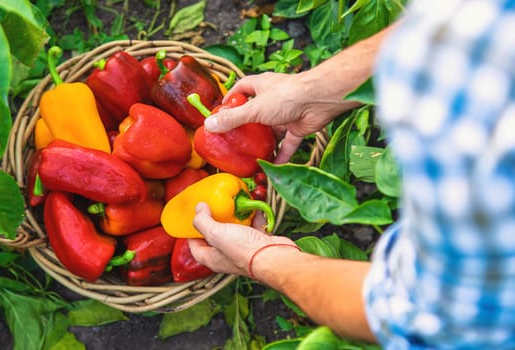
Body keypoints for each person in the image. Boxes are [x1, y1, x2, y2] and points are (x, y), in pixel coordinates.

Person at [189, 0, 515, 348]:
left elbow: (425, 313)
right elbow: (459, 25)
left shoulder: (482, 136)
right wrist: (315, 90)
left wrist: (262, 259)